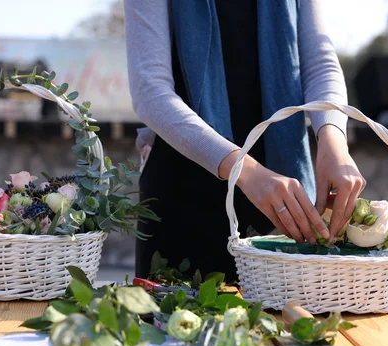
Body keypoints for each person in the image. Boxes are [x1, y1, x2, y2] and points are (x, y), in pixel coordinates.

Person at [124, 0, 366, 282]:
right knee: (177, 324)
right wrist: (245, 170)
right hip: (183, 202)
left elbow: (320, 65)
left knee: (291, 324)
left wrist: (333, 142)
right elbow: (150, 91)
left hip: (282, 205)